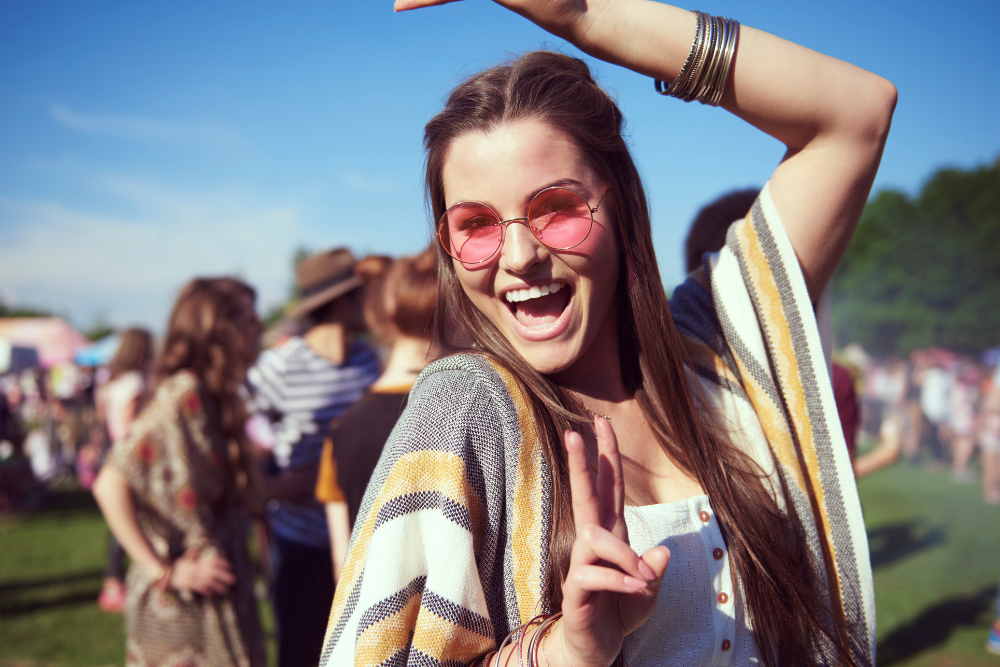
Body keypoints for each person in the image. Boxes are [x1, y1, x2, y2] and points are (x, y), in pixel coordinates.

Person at [322, 1, 896, 666]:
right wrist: (565, 648)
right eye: (476, 224)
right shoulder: (465, 409)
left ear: (621, 206)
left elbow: (857, 114)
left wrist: (583, 15)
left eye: (557, 208)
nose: (519, 256)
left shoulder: (715, 346)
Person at [92, 278, 266, 667]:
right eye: (250, 321)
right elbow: (110, 482)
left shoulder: (213, 394)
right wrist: (163, 571)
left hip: (213, 592)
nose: (260, 330)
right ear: (219, 331)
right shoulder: (183, 392)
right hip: (184, 610)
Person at [248, 248, 380, 667]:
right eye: (362, 294)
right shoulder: (279, 366)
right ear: (343, 302)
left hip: (362, 543)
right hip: (299, 543)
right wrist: (270, 486)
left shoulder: (368, 359)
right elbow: (230, 433)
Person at [314, 246, 438, 582]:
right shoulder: (469, 410)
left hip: (375, 622)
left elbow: (344, 564)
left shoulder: (341, 429)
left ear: (379, 320)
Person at [96, 327, 154, 614]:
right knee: (128, 522)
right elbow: (133, 427)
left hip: (114, 452)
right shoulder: (134, 381)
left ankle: (113, 582)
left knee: (119, 521)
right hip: (131, 458)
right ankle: (116, 583)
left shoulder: (113, 380)